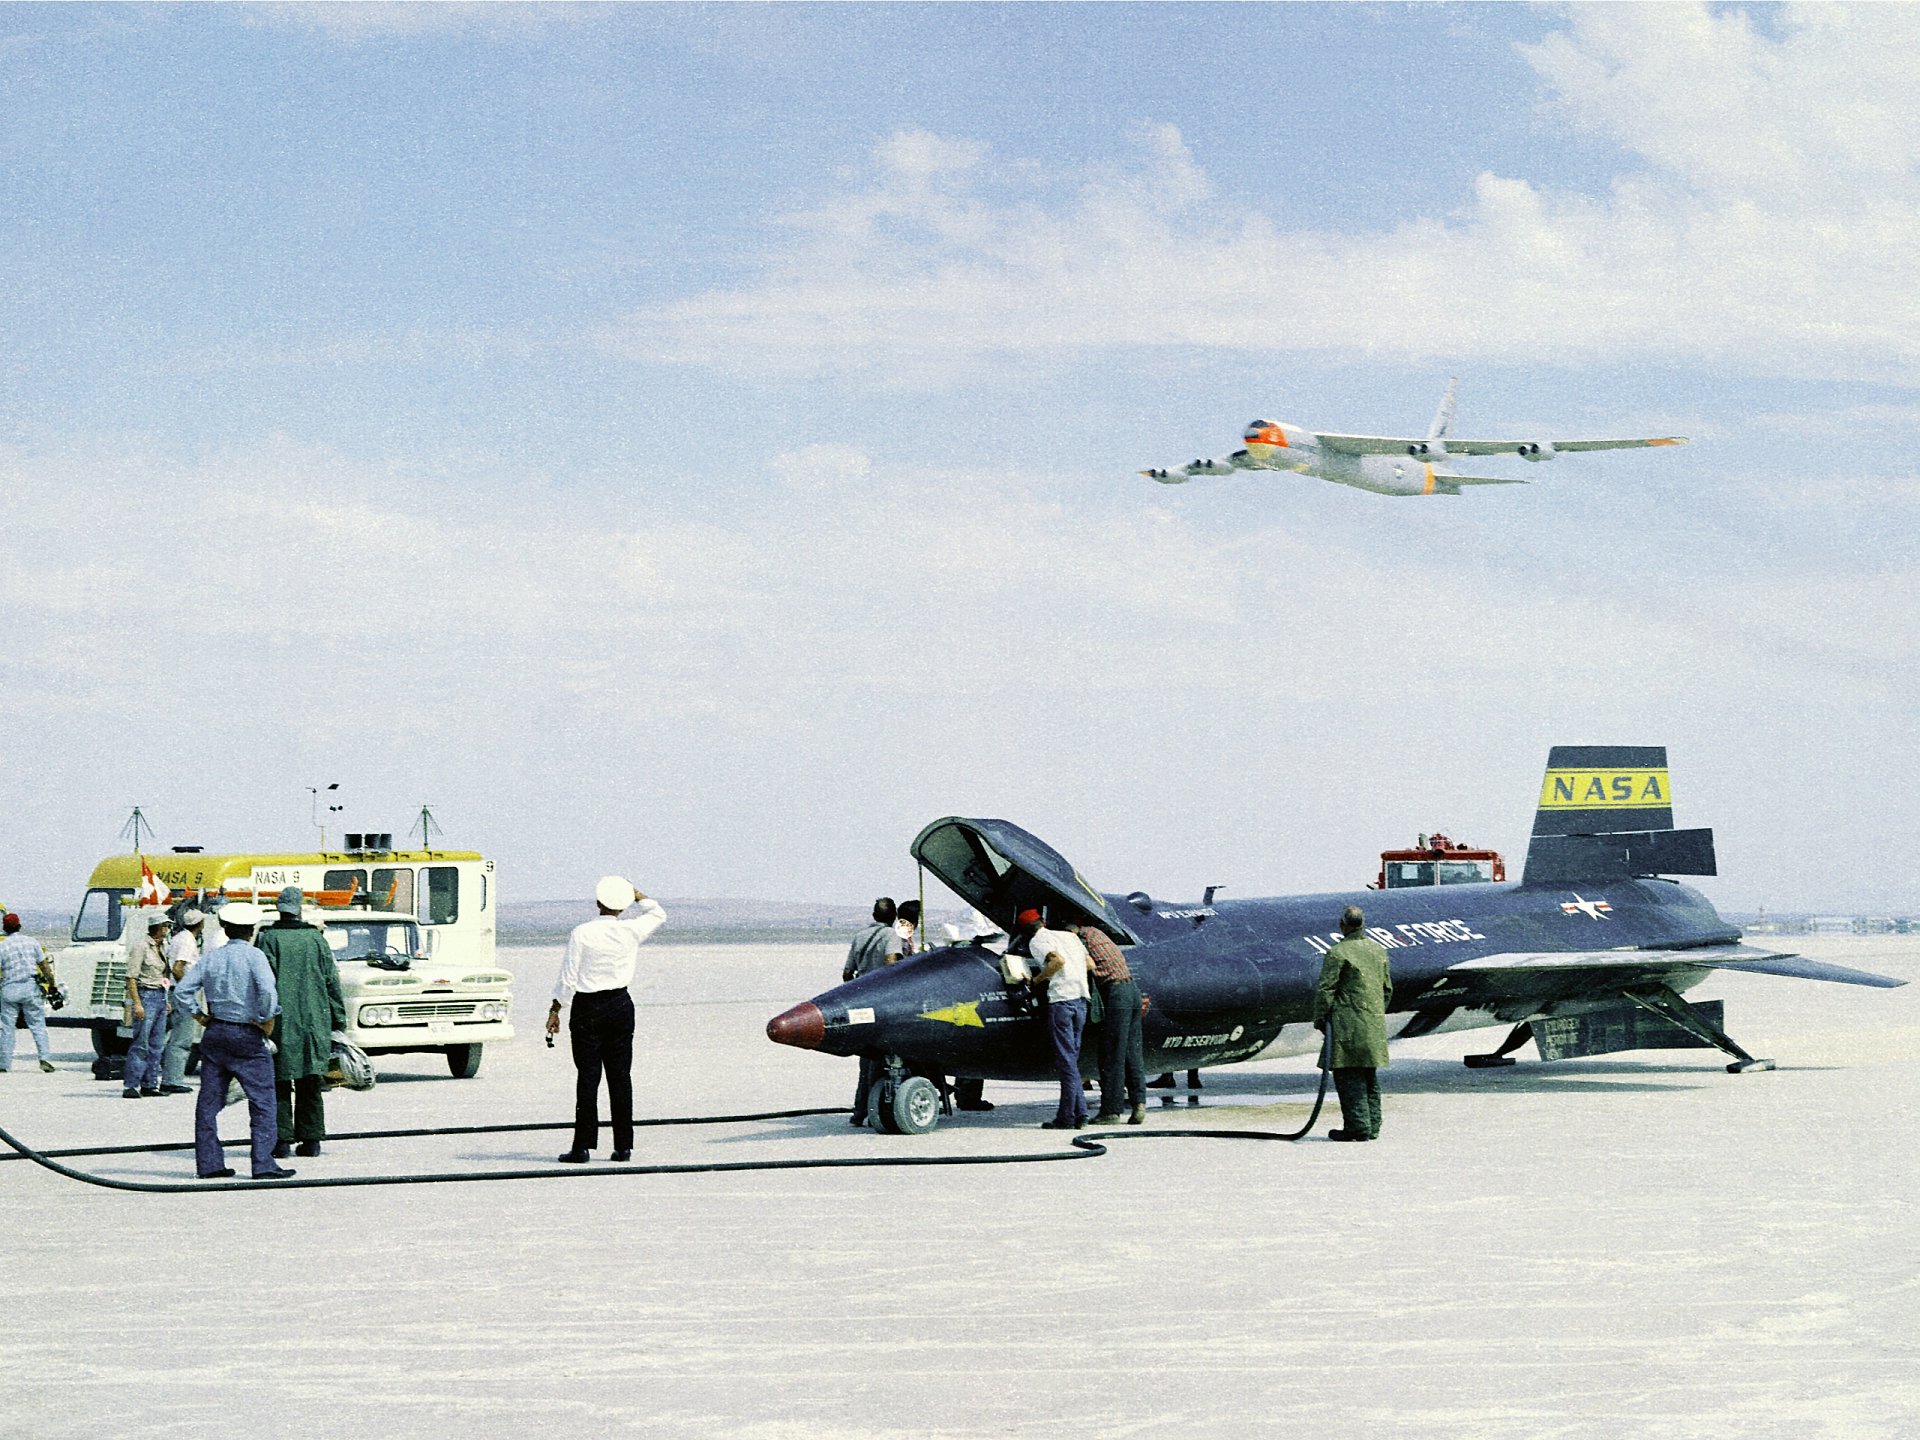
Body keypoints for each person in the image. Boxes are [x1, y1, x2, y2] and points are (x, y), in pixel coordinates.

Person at [545, 876, 666, 1164]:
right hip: (620, 1005)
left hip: (587, 1008)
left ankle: (582, 1147)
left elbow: (568, 977)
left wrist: (555, 1009)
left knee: (588, 1078)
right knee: (620, 1076)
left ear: (598, 902)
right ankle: (623, 1147)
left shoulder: (582, 933)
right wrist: (636, 894)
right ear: (622, 906)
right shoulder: (631, 930)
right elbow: (658, 913)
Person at [171, 902, 295, 1179]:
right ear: (251, 931)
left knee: (208, 1104)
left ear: (225, 929)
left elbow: (182, 992)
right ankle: (263, 1164)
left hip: (216, 1032)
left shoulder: (211, 958)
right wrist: (266, 1018)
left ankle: (210, 1164)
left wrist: (199, 1016)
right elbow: (268, 992)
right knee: (262, 1101)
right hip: (247, 1033)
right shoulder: (255, 957)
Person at [256, 887, 346, 1159]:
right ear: (299, 909)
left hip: (279, 1022)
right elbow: (332, 981)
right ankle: (312, 1140)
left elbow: (262, 983)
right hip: (314, 1022)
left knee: (279, 1081)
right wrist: (339, 1019)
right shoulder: (316, 939)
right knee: (310, 1081)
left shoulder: (268, 938)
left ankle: (281, 1141)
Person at [1313, 904, 1393, 1142]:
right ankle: (1372, 1126)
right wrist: (1374, 1014)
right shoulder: (1378, 949)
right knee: (1369, 1075)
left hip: (1346, 1024)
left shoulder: (1338, 952)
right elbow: (1387, 989)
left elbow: (1326, 990)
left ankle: (1358, 1128)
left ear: (1342, 925)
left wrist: (1320, 1019)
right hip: (1372, 1023)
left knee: (1348, 1075)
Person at [1019, 909, 1092, 1130]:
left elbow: (1057, 961)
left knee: (1066, 1062)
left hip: (1062, 1002)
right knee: (1072, 1060)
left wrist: (1036, 980)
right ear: (1042, 921)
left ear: (1026, 931)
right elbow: (1090, 964)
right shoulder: (1070, 936)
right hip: (1081, 1001)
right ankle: (1081, 1114)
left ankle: (1066, 1117)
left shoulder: (1037, 941)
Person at [1076, 922, 1147, 1126]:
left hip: (1116, 994)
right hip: (1131, 989)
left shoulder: (1080, 940)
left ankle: (1111, 1111)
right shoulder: (1096, 933)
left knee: (1112, 1053)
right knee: (1132, 1052)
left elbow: (1087, 965)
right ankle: (1139, 1104)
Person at [842, 897, 904, 1125]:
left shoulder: (860, 936)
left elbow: (847, 973)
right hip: (882, 1001)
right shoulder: (891, 935)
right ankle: (874, 1110)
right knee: (881, 1059)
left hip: (861, 1001)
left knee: (866, 1059)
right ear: (894, 917)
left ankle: (860, 1111)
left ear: (874, 916)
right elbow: (891, 963)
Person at [121, 912, 175, 1098]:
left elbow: (163, 975)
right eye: (164, 926)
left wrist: (166, 999)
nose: (167, 930)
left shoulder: (161, 947)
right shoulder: (141, 947)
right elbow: (131, 977)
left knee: (156, 1043)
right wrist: (137, 1004)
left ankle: (150, 1084)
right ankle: (131, 1085)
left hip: (159, 995)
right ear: (157, 928)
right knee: (141, 1043)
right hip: (145, 994)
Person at [0, 912, 58, 1073]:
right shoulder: (31, 942)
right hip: (30, 988)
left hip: (9, 989)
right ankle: (44, 1059)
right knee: (38, 1025)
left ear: (4, 928)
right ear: (19, 926)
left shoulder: (2, 946)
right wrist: (52, 985)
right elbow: (44, 966)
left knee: (7, 1028)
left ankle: (4, 1064)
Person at [158, 908, 206, 1094]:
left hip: (172, 991)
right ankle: (172, 1080)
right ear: (200, 924)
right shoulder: (187, 940)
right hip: (181, 992)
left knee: (162, 1035)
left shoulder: (179, 937)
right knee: (182, 1039)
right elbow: (178, 968)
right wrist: (186, 989)